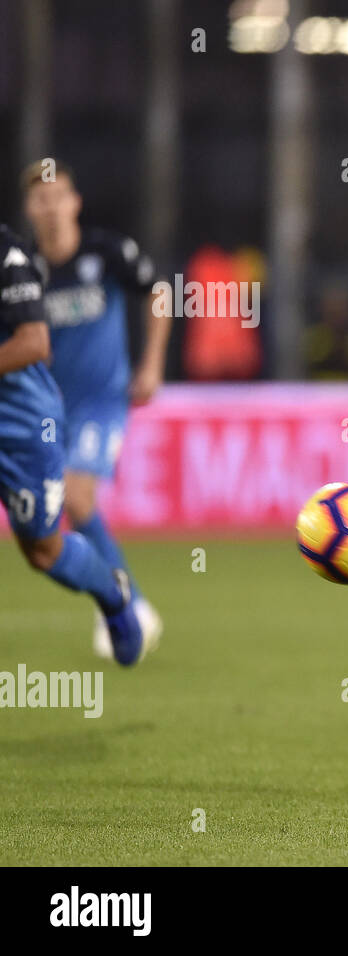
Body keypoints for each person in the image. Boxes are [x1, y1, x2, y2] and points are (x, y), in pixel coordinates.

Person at [22, 160, 168, 658]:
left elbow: (158, 292)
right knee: (53, 515)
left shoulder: (106, 252)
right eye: (42, 199)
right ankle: (125, 600)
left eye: (60, 195)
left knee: (78, 500)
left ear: (75, 201)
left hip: (103, 402)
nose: (52, 207)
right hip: (48, 409)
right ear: (30, 209)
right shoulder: (25, 272)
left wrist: (150, 364)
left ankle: (131, 604)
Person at [0, 223, 148, 663]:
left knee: (43, 552)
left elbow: (34, 342)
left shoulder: (9, 257)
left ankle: (114, 592)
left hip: (21, 423)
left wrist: (152, 364)